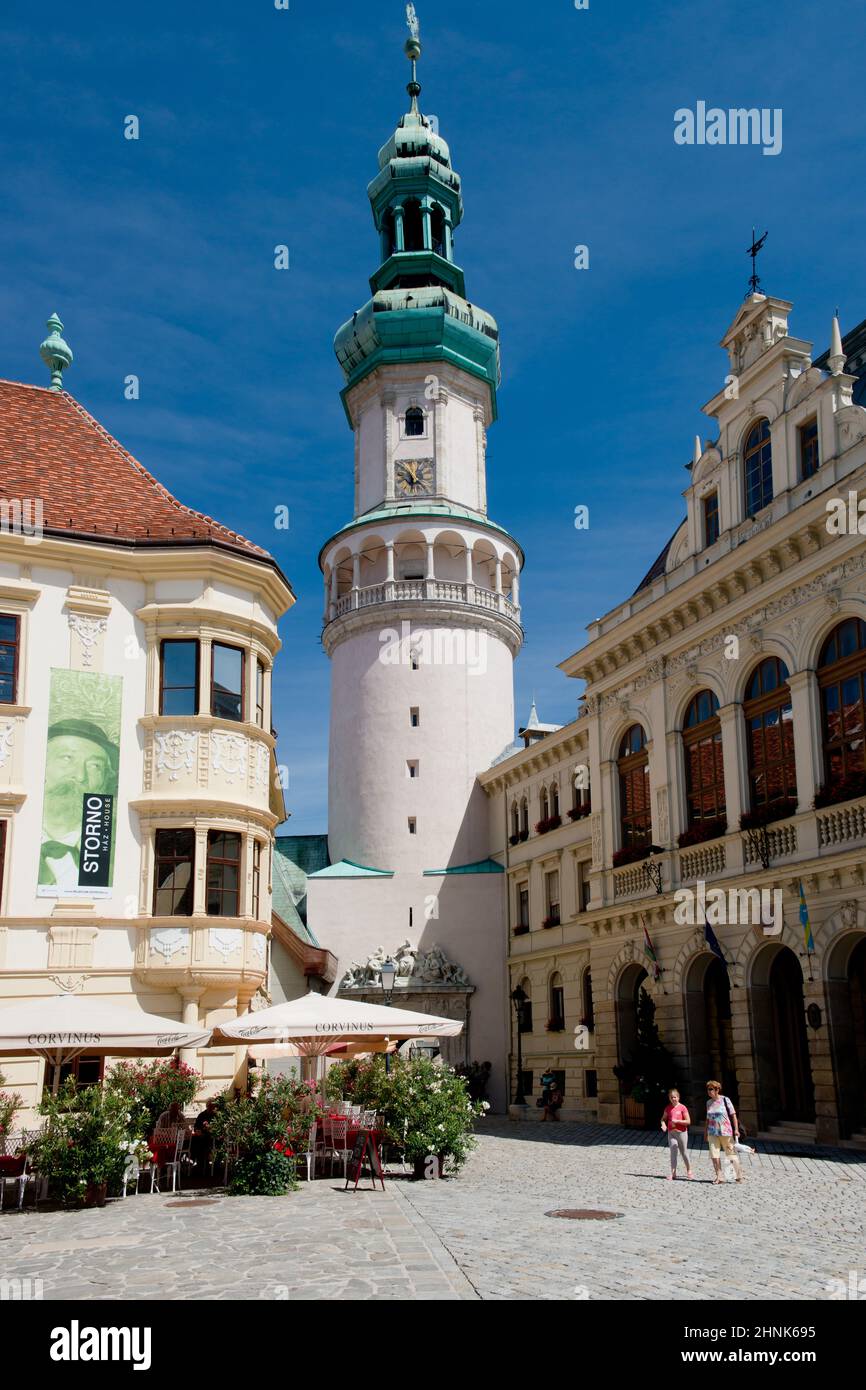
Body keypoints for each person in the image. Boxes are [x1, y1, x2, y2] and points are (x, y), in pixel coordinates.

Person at [39, 719, 118, 889]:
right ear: (41, 764)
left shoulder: (119, 851)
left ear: (105, 779)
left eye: (94, 766)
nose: (80, 776)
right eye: (67, 758)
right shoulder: (11, 834)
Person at [704, 1080, 743, 1184]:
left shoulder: (725, 1100)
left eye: (711, 1089)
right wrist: (705, 1132)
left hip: (726, 1132)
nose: (709, 1091)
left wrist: (736, 1129)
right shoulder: (708, 1102)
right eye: (708, 1089)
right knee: (714, 1155)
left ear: (717, 1090)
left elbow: (733, 1115)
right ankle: (719, 1176)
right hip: (712, 1132)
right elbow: (707, 1119)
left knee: (731, 1154)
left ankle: (738, 1175)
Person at [660, 1087, 693, 1180]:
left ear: (678, 1097)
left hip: (681, 1133)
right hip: (671, 1133)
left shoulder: (682, 1107)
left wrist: (678, 1121)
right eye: (671, 1097)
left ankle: (689, 1170)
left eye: (675, 1097)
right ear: (669, 1098)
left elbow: (688, 1121)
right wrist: (663, 1124)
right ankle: (673, 1173)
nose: (673, 1099)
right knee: (673, 1152)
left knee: (684, 1153)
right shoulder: (668, 1108)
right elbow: (663, 1119)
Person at [190, 1098, 217, 1175]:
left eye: (213, 1106)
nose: (212, 1108)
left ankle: (203, 1165)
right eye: (210, 1106)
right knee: (195, 1140)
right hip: (202, 1136)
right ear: (207, 1106)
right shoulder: (201, 1115)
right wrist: (198, 1131)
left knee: (204, 1142)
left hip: (213, 1138)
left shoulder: (216, 1115)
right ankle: (199, 1164)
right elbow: (196, 1127)